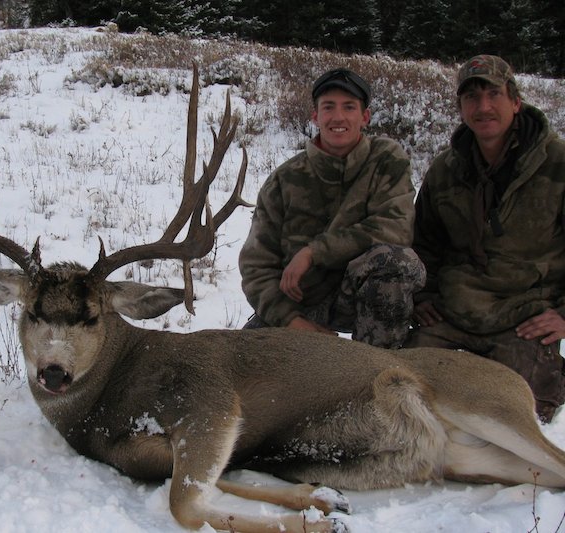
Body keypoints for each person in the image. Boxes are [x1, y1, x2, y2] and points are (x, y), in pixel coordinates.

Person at [405, 54, 565, 423]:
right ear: (461, 107)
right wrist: (425, 295)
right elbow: (424, 243)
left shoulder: (557, 163)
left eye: (493, 94)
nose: (483, 106)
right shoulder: (445, 169)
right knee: (407, 396)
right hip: (453, 316)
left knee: (510, 416)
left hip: (524, 318)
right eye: (471, 98)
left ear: (515, 100)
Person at [238, 68, 425, 348]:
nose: (338, 117)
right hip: (303, 301)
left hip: (366, 294)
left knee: (394, 262)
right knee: (240, 360)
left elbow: (395, 228)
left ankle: (376, 370)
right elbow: (256, 267)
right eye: (329, 107)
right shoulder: (284, 180)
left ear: (365, 117)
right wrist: (291, 322)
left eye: (349, 107)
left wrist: (313, 252)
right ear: (315, 116)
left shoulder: (386, 159)